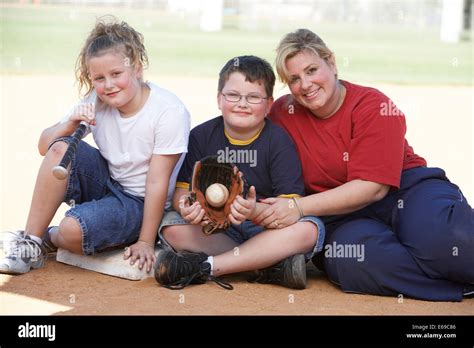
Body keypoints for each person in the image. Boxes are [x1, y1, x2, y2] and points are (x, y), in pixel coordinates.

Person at [256, 28, 474, 301]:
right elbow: (250, 140)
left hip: (405, 191)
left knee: (447, 239)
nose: (306, 85)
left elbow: (373, 189)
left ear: (332, 63)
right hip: (340, 214)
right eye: (294, 79)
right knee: (353, 260)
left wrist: (297, 207)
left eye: (312, 70)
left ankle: (444, 253)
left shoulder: (373, 105)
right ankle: (458, 286)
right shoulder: (283, 113)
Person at [0, 17, 190, 275]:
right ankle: (30, 243)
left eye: (116, 74)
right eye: (98, 78)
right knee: (62, 147)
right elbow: (45, 147)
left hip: (140, 203)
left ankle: (49, 236)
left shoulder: (169, 110)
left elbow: (157, 182)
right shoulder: (97, 99)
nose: (108, 85)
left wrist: (145, 241)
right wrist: (69, 125)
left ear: (137, 68)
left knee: (70, 231)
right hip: (109, 184)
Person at [154, 55, 325, 290]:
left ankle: (207, 266)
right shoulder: (201, 135)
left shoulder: (278, 141)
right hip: (217, 228)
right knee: (171, 226)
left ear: (269, 105)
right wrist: (189, 207)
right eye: (233, 95)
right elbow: (182, 191)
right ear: (218, 99)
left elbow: (290, 207)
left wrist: (254, 210)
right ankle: (266, 265)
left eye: (253, 97)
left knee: (309, 229)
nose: (242, 103)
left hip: (264, 229)